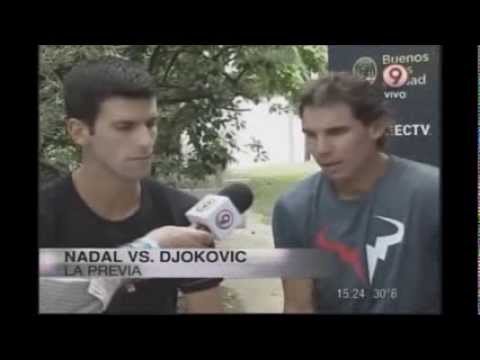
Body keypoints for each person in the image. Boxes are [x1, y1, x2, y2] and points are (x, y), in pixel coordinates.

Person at [39, 57, 223, 314]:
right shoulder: (46, 216)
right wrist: (148, 250)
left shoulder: (183, 216)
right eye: (124, 127)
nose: (145, 141)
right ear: (78, 131)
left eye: (151, 124)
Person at [272, 72, 440, 314]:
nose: (321, 149)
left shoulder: (431, 195)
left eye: (336, 132)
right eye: (311, 135)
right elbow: (299, 305)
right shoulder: (293, 208)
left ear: (377, 127)